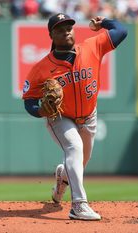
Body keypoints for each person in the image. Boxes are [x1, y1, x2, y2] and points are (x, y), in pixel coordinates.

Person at [22, 13, 127, 220]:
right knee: (74, 148)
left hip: (89, 116)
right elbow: (28, 101)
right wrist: (40, 110)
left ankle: (61, 179)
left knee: (81, 160)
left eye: (69, 27)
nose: (66, 31)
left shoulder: (91, 46)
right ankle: (78, 205)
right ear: (51, 35)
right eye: (60, 29)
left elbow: (121, 31)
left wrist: (102, 23)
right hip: (60, 117)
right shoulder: (40, 69)